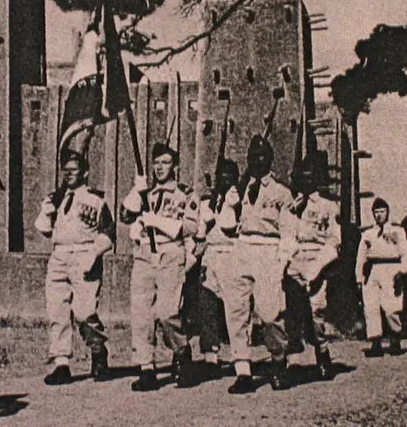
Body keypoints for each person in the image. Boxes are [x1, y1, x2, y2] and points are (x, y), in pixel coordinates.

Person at [121, 143, 200, 391]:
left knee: (167, 313)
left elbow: (190, 227)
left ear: (175, 166)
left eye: (165, 163)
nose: (159, 168)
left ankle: (181, 351)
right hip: (145, 254)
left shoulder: (186, 194)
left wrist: (156, 221)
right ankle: (146, 367)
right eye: (156, 163)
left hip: (170, 252)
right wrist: (137, 191)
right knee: (141, 314)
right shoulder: (148, 194)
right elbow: (126, 216)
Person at [34, 149, 115, 385]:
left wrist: (94, 253)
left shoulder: (95, 200)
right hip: (58, 255)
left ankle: (98, 348)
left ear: (85, 173)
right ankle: (61, 362)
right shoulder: (57, 197)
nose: (68, 174)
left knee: (84, 312)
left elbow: (108, 234)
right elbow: (45, 228)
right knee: (57, 311)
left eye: (73, 170)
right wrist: (46, 212)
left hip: (84, 254)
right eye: (65, 170)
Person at [225, 135, 297, 394]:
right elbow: (228, 222)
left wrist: (282, 261)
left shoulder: (282, 193)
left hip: (268, 249)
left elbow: (289, 232)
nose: (258, 161)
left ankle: (278, 362)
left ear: (271, 159)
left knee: (270, 314)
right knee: (237, 311)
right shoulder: (240, 188)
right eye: (253, 157)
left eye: (262, 156)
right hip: (242, 247)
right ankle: (243, 369)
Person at [286, 155, 342, 380]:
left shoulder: (328, 206)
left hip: (317, 259)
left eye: (310, 175)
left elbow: (333, 242)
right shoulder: (292, 206)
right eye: (302, 175)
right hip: (294, 259)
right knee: (290, 312)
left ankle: (322, 354)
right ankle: (292, 360)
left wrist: (316, 269)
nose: (306, 180)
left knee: (316, 312)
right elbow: (286, 235)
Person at [192, 159, 241, 380]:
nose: (225, 180)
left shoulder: (239, 200)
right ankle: (210, 357)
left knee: (235, 308)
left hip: (232, 253)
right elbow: (201, 231)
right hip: (210, 255)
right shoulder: (209, 200)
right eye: (222, 175)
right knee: (207, 306)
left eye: (230, 176)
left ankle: (240, 357)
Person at [356, 198, 407, 357]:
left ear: (387, 212)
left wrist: (402, 271)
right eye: (376, 212)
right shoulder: (368, 234)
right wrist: (359, 278)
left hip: (391, 268)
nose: (379, 215)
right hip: (373, 270)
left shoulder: (397, 231)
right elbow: (361, 257)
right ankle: (375, 342)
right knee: (371, 306)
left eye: (382, 211)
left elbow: (406, 254)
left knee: (391, 306)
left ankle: (395, 339)